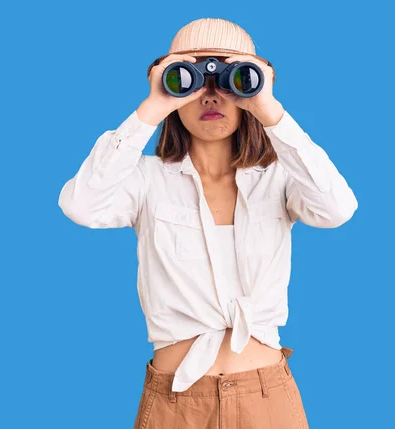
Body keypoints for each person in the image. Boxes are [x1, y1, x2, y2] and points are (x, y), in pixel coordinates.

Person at [58, 17, 357, 429]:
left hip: (266, 399)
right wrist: (153, 106)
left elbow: (336, 209)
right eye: (191, 79)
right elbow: (82, 205)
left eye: (229, 80)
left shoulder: (279, 178)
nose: (210, 96)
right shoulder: (146, 180)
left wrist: (269, 109)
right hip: (177, 403)